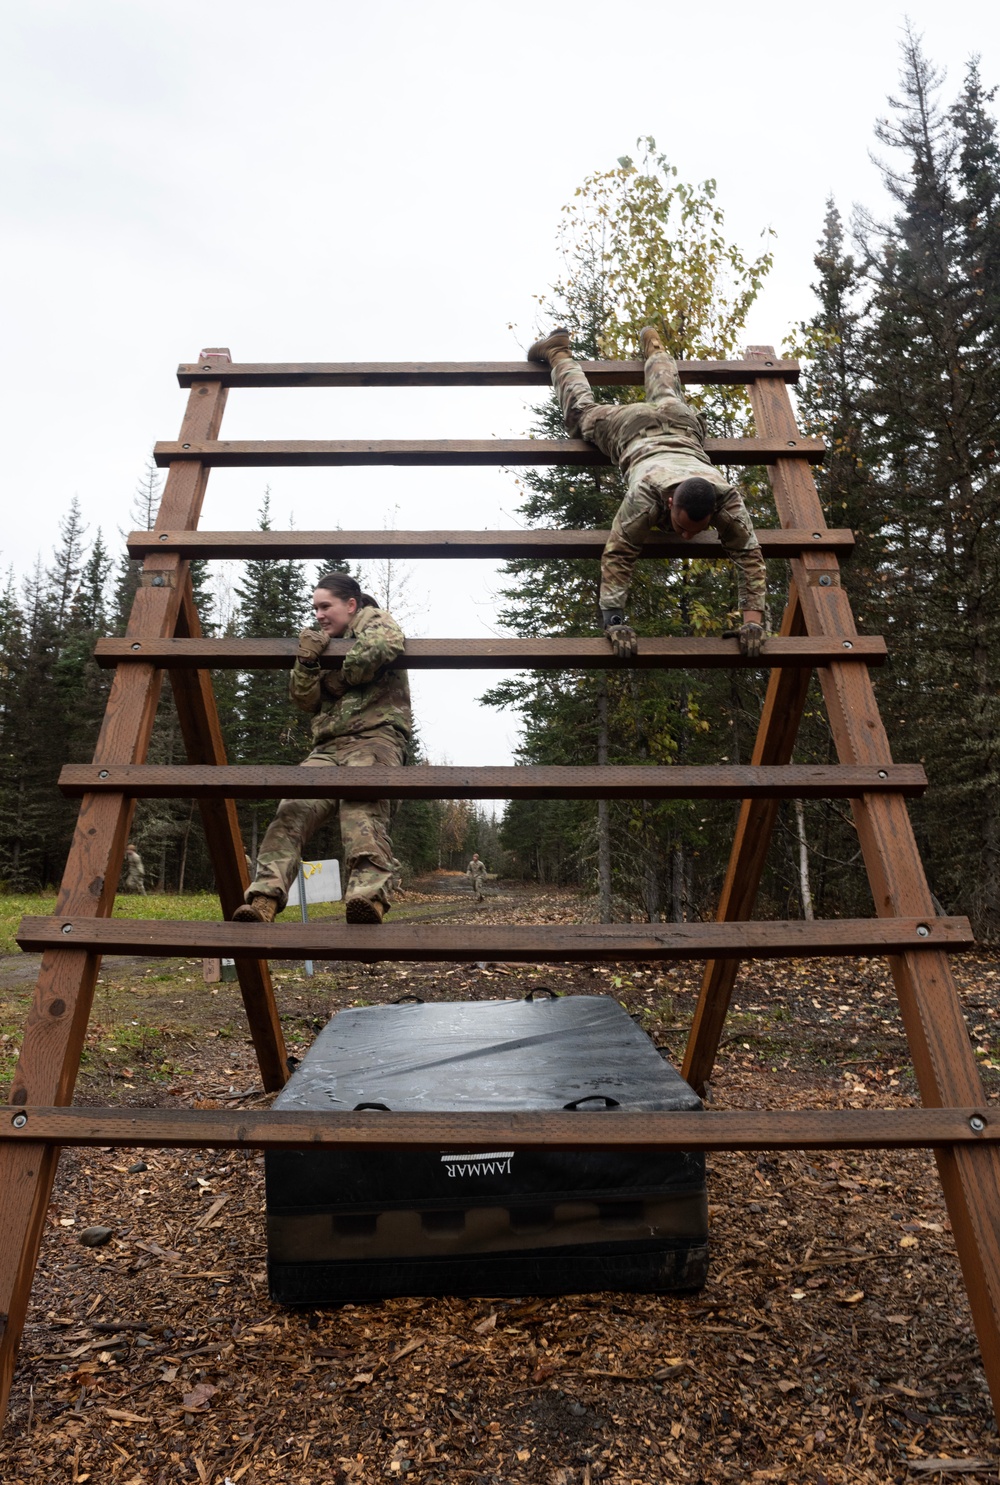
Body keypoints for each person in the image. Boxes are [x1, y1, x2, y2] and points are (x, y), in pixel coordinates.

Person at [527, 325, 767, 660]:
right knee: (581, 415)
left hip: (679, 421)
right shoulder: (646, 496)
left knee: (669, 398)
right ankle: (557, 352)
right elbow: (620, 552)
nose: (684, 537)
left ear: (713, 510)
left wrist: (753, 622)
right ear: (669, 502)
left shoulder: (725, 499)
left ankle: (655, 348)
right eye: (682, 527)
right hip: (630, 427)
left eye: (694, 530)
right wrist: (614, 621)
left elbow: (749, 555)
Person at [233, 573, 411, 926]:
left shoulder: (372, 619)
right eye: (314, 607)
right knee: (292, 806)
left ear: (350, 604)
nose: (318, 614)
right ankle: (264, 899)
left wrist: (337, 679)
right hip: (329, 746)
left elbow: (384, 646)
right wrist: (308, 663)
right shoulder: (319, 642)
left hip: (374, 738)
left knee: (361, 806)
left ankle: (367, 899)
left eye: (325, 606)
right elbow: (304, 699)